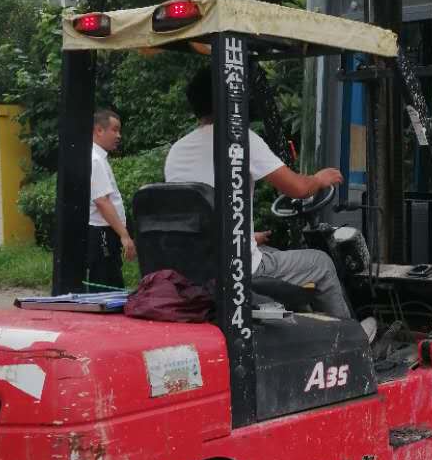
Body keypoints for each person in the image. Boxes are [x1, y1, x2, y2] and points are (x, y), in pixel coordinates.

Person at [165, 68, 355, 321]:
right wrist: (319, 179)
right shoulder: (239, 139)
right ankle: (349, 335)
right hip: (239, 268)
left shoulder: (177, 151)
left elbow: (201, 216)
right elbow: (298, 189)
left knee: (274, 252)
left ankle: (299, 329)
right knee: (320, 263)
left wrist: (248, 236)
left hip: (195, 265)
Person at [89, 108, 135, 291]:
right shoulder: (95, 160)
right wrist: (125, 236)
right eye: (114, 130)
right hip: (101, 233)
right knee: (107, 289)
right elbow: (102, 201)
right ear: (99, 130)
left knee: (109, 284)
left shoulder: (98, 157)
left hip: (104, 233)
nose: (118, 136)